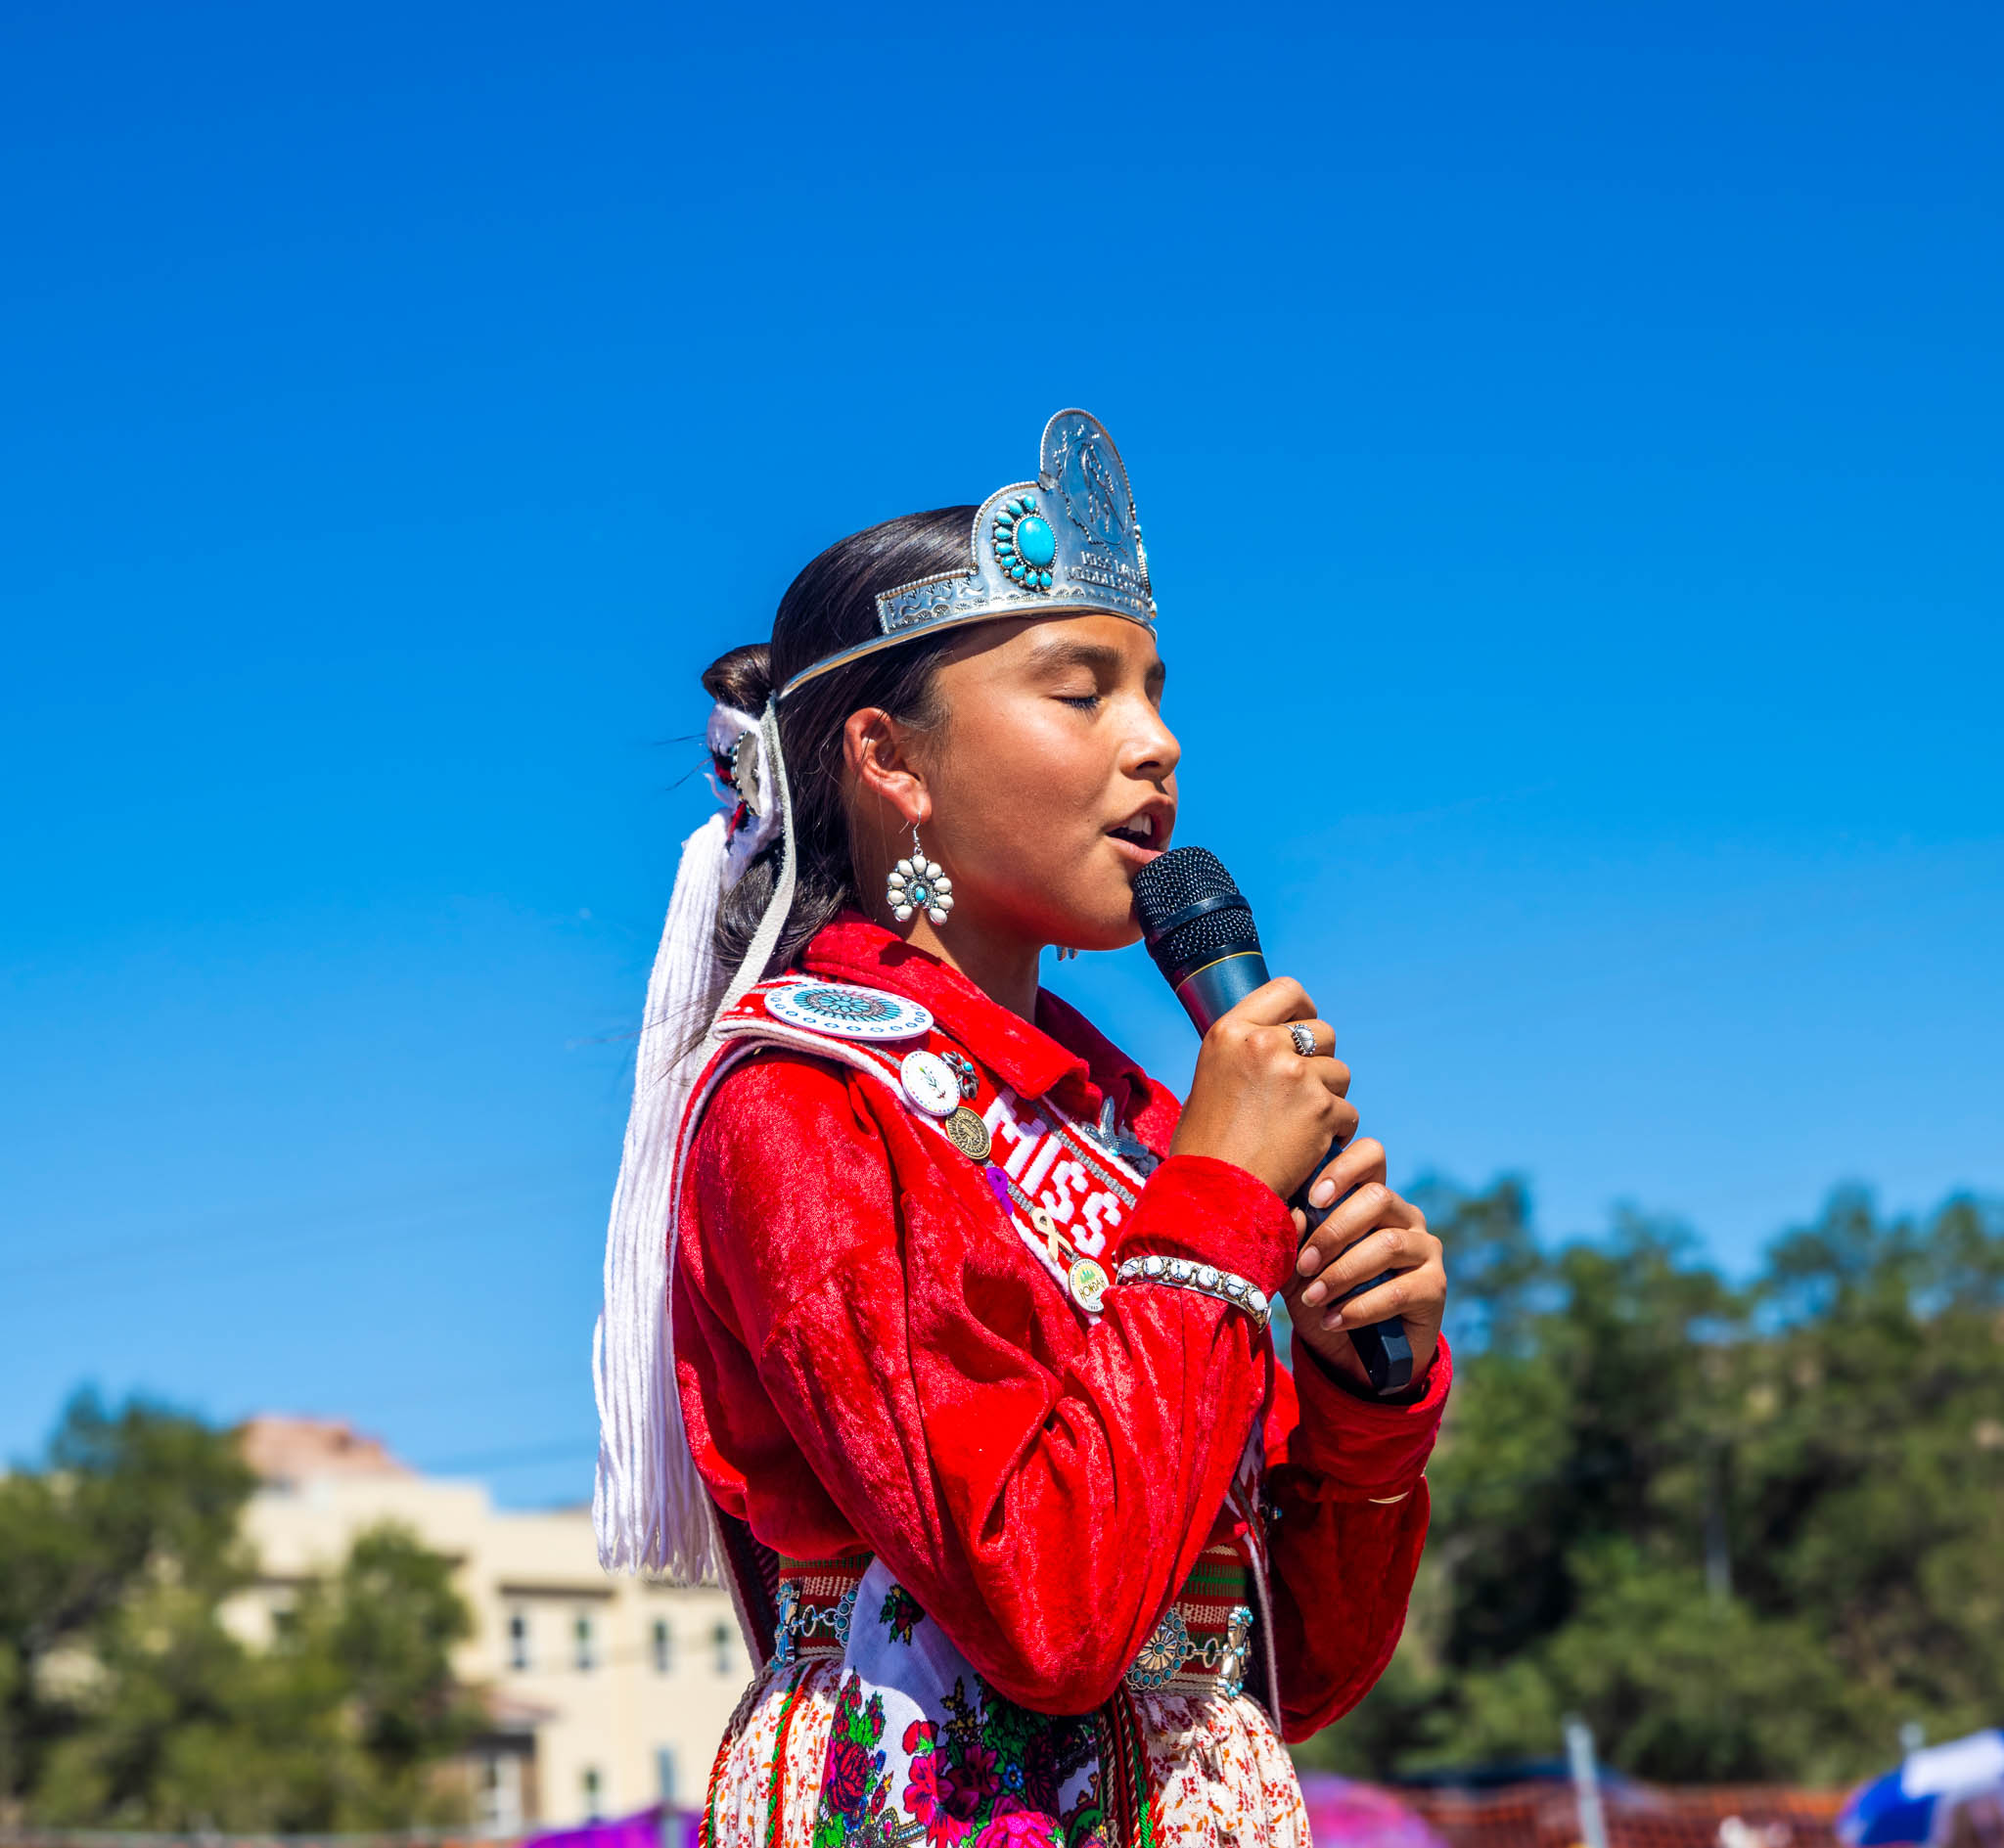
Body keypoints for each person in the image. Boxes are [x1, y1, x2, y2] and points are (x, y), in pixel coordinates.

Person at [593, 412, 1451, 1848]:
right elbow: (1048, 1613)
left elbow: (1294, 1669)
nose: (1159, 744)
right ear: (892, 760)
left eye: (1158, 695)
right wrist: (1222, 1197)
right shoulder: (801, 1101)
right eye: (1080, 693)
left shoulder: (1141, 1126)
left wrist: (1364, 1391)